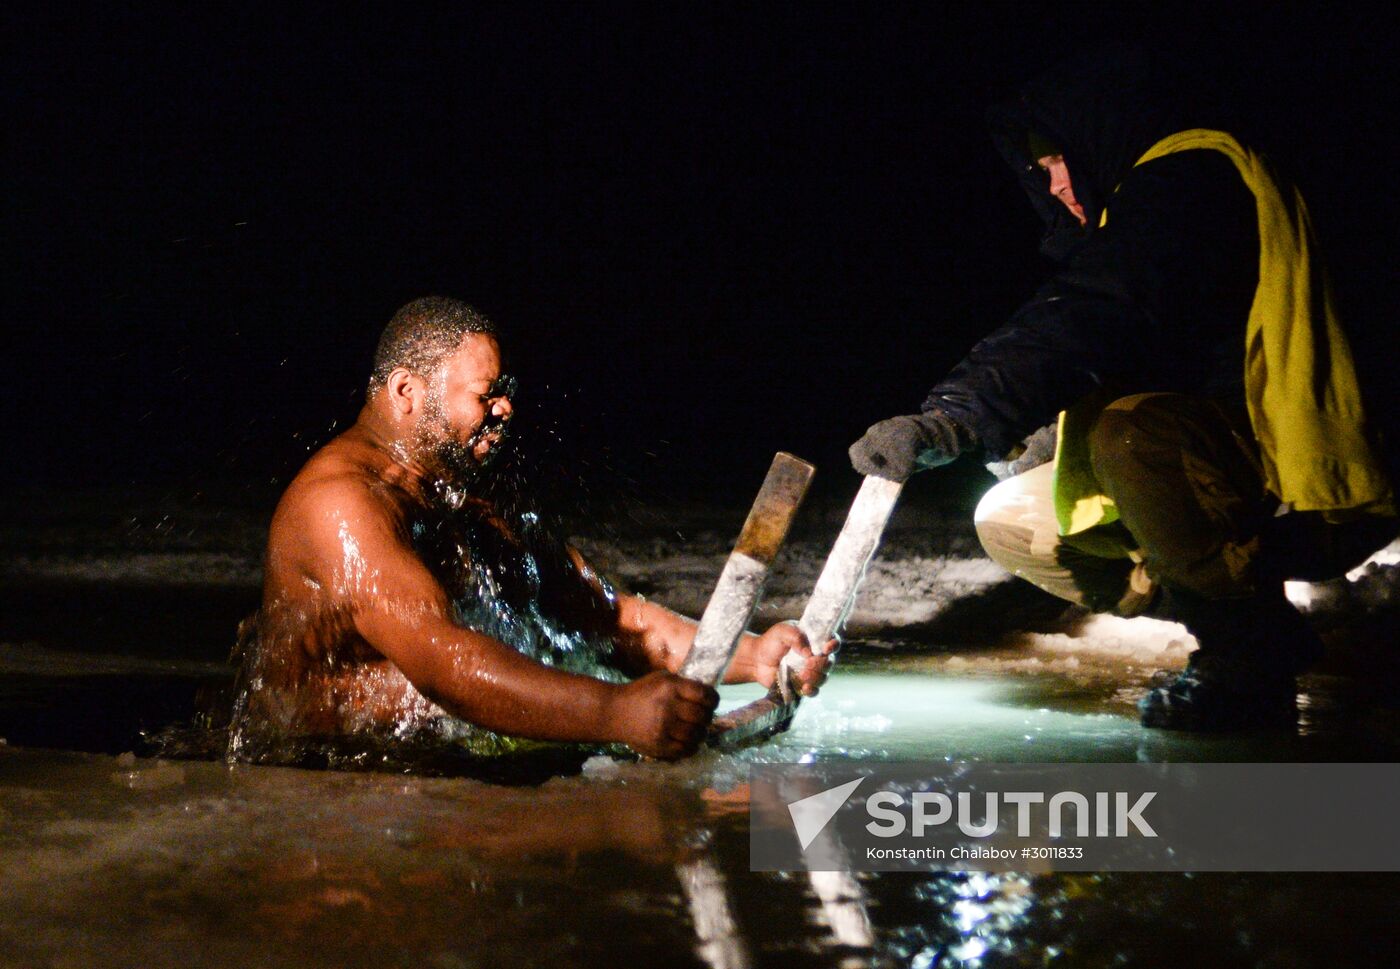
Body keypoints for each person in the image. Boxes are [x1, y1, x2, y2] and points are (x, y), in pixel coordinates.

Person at [849, 50, 1397, 730]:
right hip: (1234, 478)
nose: (1049, 185)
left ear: (1094, 139)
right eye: (1038, 172)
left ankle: (1246, 658)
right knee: (1014, 518)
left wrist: (953, 418)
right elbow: (1151, 350)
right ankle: (1252, 613)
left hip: (1317, 489)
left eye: (1054, 161)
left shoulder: (1193, 176)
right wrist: (1045, 437)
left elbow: (1102, 308)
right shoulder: (1140, 216)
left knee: (1132, 438)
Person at [232, 296, 829, 762]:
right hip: (333, 792)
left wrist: (751, 656)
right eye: (485, 394)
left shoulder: (459, 494)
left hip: (444, 762)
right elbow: (445, 664)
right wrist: (616, 714)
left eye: (507, 393)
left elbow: (608, 618)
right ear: (406, 392)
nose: (506, 409)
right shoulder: (339, 506)